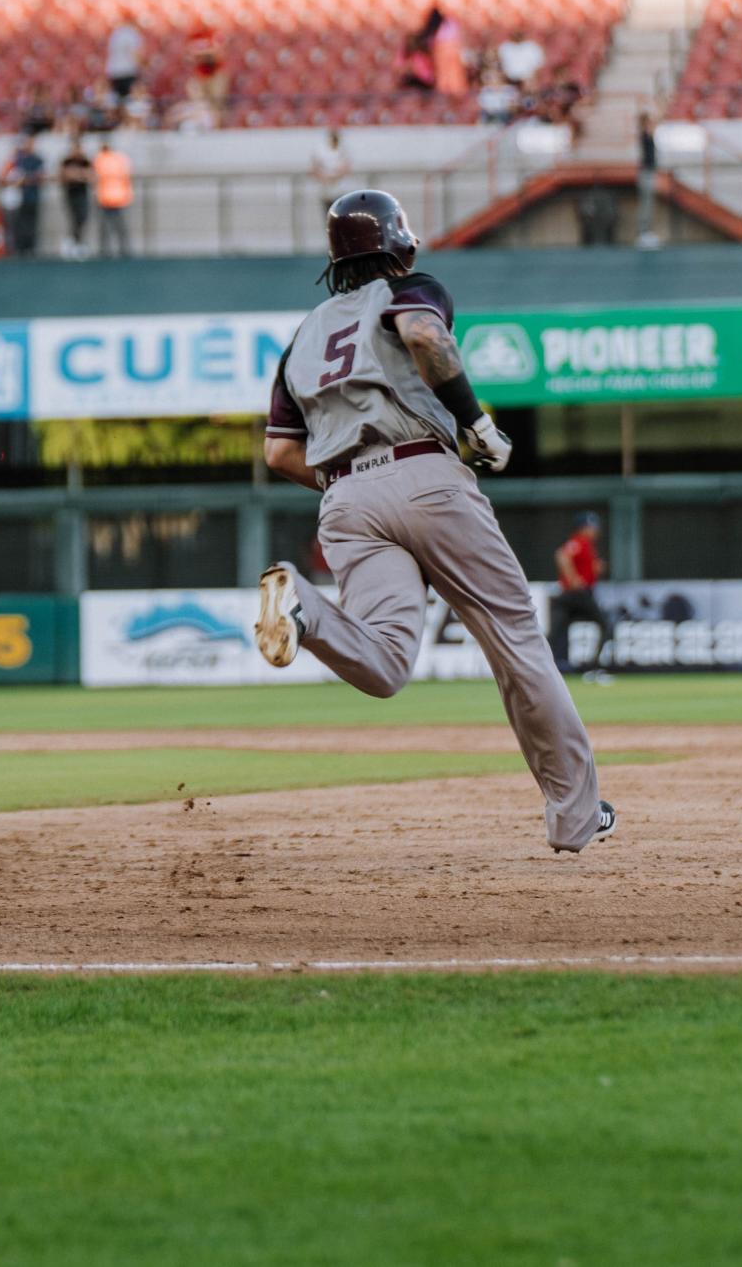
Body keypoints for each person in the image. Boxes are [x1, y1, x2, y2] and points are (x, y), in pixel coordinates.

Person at [252, 189, 615, 854]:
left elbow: (278, 451)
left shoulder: (301, 337)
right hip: (425, 471)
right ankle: (575, 813)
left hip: (343, 498)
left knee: (387, 664)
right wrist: (477, 423)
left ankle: (300, 605)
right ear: (398, 242)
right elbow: (422, 333)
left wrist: (345, 483)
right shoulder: (411, 287)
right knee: (515, 637)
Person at [555, 511, 613, 681]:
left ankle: (559, 666)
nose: (595, 530)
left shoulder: (587, 545)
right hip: (577, 594)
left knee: (559, 631)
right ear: (584, 528)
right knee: (606, 625)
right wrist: (573, 579)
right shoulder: (579, 541)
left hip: (575, 594)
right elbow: (562, 556)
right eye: (592, 527)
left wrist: (594, 568)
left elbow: (583, 566)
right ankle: (594, 668)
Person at [1, 136, 45, 258]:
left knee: (32, 224)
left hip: (32, 196)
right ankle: (20, 249)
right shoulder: (17, 161)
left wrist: (25, 179)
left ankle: (31, 248)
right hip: (19, 199)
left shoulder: (36, 159)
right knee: (19, 225)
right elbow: (8, 179)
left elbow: (38, 177)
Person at [93, 137, 133, 257]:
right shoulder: (120, 158)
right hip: (116, 196)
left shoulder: (100, 159)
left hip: (107, 197)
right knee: (117, 226)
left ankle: (106, 251)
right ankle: (123, 250)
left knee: (108, 226)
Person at [59, 137, 93, 258]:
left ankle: (78, 241)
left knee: (83, 217)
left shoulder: (85, 161)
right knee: (73, 218)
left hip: (82, 193)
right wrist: (79, 175)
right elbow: (65, 176)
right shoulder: (66, 161)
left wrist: (76, 174)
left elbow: (90, 176)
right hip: (70, 193)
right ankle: (72, 242)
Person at [310, 129, 354, 217]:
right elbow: (315, 167)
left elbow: (346, 167)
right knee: (328, 213)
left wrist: (336, 176)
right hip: (326, 187)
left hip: (340, 187)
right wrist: (324, 177)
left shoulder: (343, 151)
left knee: (340, 212)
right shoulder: (321, 151)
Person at [636, 112, 660, 248]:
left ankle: (646, 232)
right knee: (646, 203)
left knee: (649, 203)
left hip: (649, 172)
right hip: (646, 173)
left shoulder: (649, 136)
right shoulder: (644, 136)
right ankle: (643, 233)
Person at [105, 16, 143, 105]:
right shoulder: (132, 34)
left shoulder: (116, 33)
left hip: (114, 71)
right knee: (129, 100)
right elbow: (134, 54)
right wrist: (142, 66)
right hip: (127, 71)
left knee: (117, 100)